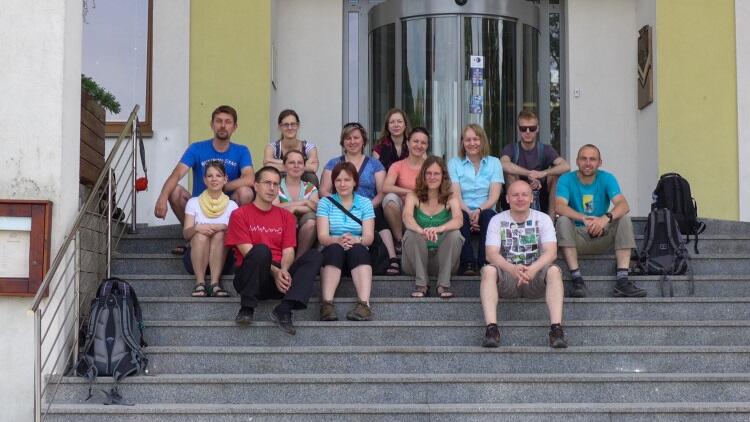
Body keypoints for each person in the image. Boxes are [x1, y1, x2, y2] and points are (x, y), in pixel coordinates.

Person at [225, 166, 323, 335]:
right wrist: (275, 272)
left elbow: (288, 250)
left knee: (314, 256)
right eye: (267, 183)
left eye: (276, 184)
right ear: (256, 186)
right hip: (251, 276)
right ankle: (247, 308)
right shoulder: (239, 214)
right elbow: (247, 251)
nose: (271, 188)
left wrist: (283, 271)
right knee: (261, 250)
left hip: (279, 281)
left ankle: (284, 309)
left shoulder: (286, 216)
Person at [154, 105, 254, 254]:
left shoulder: (241, 151)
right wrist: (162, 197)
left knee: (246, 192)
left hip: (227, 207)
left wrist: (222, 187)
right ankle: (192, 238)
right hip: (200, 208)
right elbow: (177, 174)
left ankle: (234, 240)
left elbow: (249, 178)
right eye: (218, 121)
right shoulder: (196, 148)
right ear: (212, 124)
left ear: (235, 127)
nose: (223, 125)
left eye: (228, 122)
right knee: (174, 191)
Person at [480, 180, 567, 348]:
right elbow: (490, 254)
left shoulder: (543, 219)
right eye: (515, 195)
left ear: (532, 198)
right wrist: (511, 269)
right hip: (508, 279)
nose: (520, 199)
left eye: (524, 195)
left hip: (535, 278)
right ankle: (491, 329)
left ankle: (556, 329)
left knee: (554, 271)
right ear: (507, 198)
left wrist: (533, 269)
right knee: (488, 270)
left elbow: (551, 252)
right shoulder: (497, 220)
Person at [555, 144, 646, 298]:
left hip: (603, 235)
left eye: (592, 159)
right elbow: (559, 206)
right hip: (577, 236)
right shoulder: (566, 179)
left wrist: (605, 219)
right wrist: (582, 218)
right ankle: (577, 280)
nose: (588, 163)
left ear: (600, 162)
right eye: (583, 159)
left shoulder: (607, 178)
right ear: (577, 161)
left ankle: (622, 281)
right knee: (563, 220)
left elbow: (623, 205)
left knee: (623, 218)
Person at [320, 122, 400, 275]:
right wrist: (339, 204)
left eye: (356, 138)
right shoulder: (333, 163)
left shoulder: (374, 164)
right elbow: (323, 190)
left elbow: (382, 191)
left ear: (363, 140)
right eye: (348, 138)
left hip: (369, 206)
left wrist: (367, 206)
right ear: (343, 142)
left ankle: (392, 257)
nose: (352, 141)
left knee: (378, 215)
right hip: (340, 206)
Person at [317, 162, 375, 322]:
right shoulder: (325, 202)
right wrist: (337, 239)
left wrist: (357, 239)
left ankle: (364, 305)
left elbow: (369, 237)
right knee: (334, 249)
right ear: (333, 182)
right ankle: (327, 305)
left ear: (355, 181)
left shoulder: (365, 203)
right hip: (333, 249)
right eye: (338, 180)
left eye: (347, 180)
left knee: (359, 249)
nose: (342, 184)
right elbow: (322, 236)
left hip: (356, 251)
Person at [401, 156, 464, 298]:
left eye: (436, 173)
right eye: (428, 173)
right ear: (423, 175)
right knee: (411, 233)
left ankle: (443, 285)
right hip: (414, 261)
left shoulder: (451, 198)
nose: (432, 177)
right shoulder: (413, 195)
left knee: (455, 233)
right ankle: (421, 284)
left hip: (443, 262)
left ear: (443, 176)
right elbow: (407, 217)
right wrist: (420, 231)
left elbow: (459, 220)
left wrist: (440, 228)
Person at [448, 124, 504, 276]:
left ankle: (485, 261)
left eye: (476, 139)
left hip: (485, 209)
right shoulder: (454, 163)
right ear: (462, 142)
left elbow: (494, 196)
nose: (472, 143)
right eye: (467, 140)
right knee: (459, 214)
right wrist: (469, 213)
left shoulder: (494, 163)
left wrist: (479, 211)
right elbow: (455, 195)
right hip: (463, 208)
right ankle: (468, 263)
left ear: (482, 140)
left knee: (489, 215)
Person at [182, 160, 238, 297]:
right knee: (200, 235)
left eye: (218, 175)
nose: (214, 179)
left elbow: (236, 238)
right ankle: (199, 283)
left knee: (220, 234)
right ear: (204, 180)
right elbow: (186, 234)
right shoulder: (193, 202)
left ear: (225, 179)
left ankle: (215, 284)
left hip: (223, 261)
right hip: (195, 259)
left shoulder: (232, 206)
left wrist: (224, 227)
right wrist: (197, 228)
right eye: (210, 176)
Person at [500, 110, 570, 218]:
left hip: (541, 194)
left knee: (556, 176)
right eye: (523, 129)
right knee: (510, 174)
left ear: (537, 128)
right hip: (517, 193)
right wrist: (530, 174)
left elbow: (565, 166)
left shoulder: (545, 149)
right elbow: (503, 164)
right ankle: (515, 218)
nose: (528, 132)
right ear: (518, 129)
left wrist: (542, 173)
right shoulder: (511, 148)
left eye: (532, 128)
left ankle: (551, 221)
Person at [382, 127, 430, 254]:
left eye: (423, 143)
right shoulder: (398, 165)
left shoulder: (431, 166)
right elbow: (386, 187)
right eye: (415, 141)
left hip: (425, 210)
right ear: (408, 143)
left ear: (427, 146)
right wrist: (410, 192)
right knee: (389, 199)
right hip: (402, 212)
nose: (419, 145)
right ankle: (400, 241)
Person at [273, 150, 318, 258]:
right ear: (284, 166)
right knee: (290, 217)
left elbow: (315, 207)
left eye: (300, 163)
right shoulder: (275, 185)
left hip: (305, 225)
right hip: (281, 224)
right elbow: (274, 207)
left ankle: (298, 260)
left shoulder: (310, 187)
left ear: (304, 166)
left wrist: (294, 208)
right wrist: (304, 202)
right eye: (291, 162)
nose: (296, 166)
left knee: (311, 222)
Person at [263, 109, 320, 185]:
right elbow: (267, 165)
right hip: (278, 188)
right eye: (286, 125)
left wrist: (280, 163)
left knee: (311, 177)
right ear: (280, 127)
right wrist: (300, 165)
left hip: (303, 187)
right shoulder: (271, 147)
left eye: (293, 124)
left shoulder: (309, 147)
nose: (289, 128)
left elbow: (313, 168)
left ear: (298, 125)